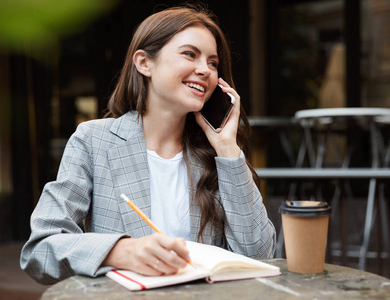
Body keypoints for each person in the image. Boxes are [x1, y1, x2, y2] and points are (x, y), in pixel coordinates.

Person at [20, 5, 276, 285]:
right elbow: (40, 250)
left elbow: (260, 256)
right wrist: (122, 251)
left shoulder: (216, 154)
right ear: (144, 63)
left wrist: (227, 148)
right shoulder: (94, 141)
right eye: (190, 54)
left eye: (213, 63)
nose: (205, 70)